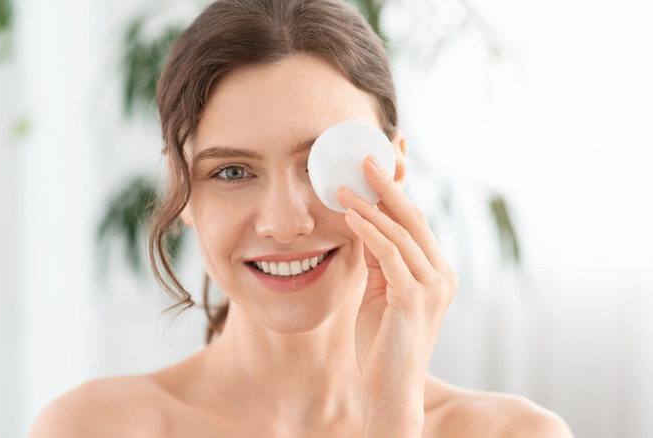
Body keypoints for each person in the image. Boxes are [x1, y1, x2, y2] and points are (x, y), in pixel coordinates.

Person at [30, 0, 573, 436]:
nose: (285, 223)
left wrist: (392, 417)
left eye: (321, 164)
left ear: (393, 168)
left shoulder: (514, 433)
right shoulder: (95, 428)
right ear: (181, 191)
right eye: (233, 173)